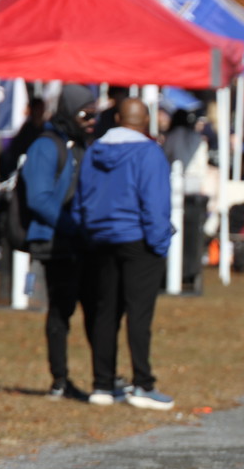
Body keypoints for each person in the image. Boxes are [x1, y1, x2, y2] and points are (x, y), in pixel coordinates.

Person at [72, 98, 174, 410]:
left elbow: (81, 198)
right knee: (139, 314)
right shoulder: (149, 153)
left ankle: (103, 384)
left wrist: (87, 232)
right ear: (146, 121)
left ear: (117, 118)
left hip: (100, 238)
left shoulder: (94, 150)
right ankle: (143, 384)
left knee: (105, 312)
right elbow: (155, 203)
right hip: (138, 239)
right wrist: (160, 244)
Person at [21, 84, 98, 401]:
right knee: (60, 311)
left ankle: (105, 379)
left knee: (97, 308)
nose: (92, 121)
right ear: (68, 112)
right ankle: (60, 380)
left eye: (94, 115)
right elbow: (38, 198)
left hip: (85, 242)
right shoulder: (46, 145)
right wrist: (73, 226)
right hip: (56, 242)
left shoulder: (83, 144)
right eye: (85, 115)